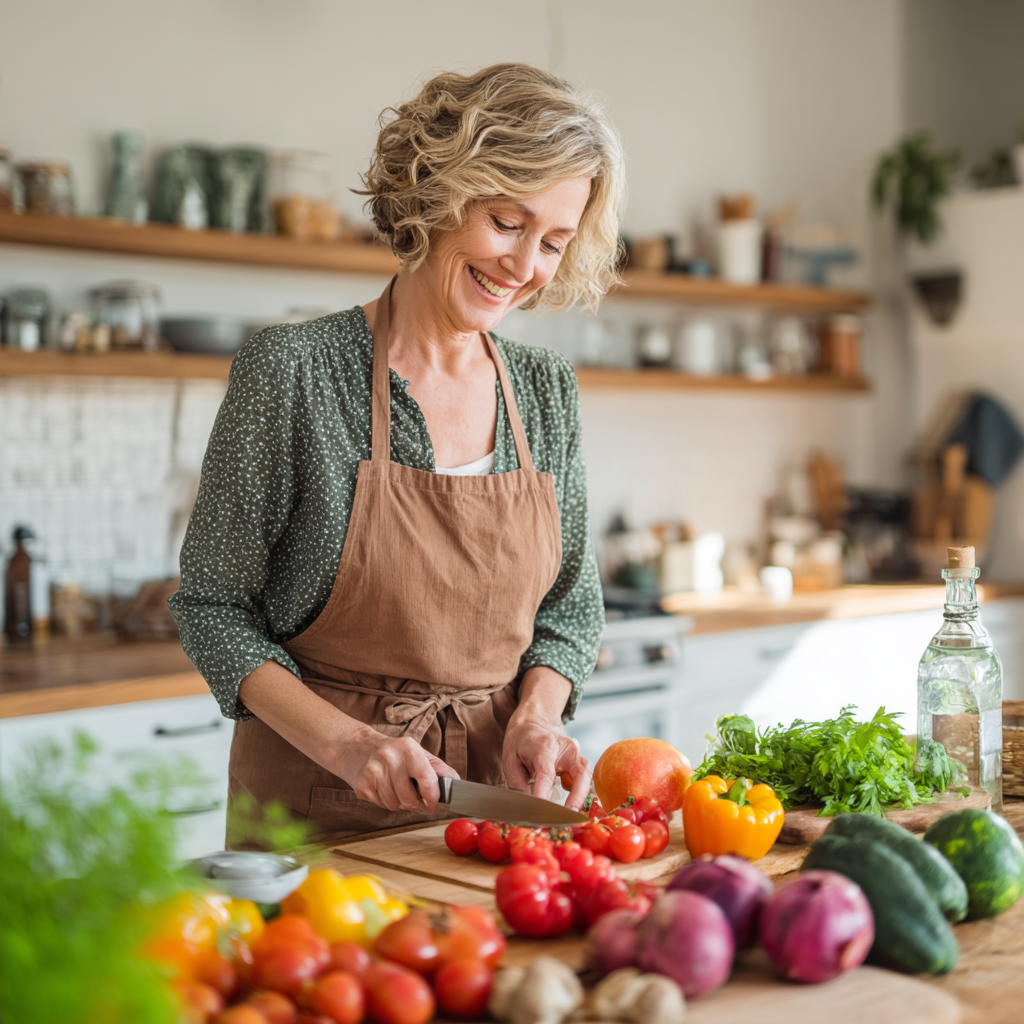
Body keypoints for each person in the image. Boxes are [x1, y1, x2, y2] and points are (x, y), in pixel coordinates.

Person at [169, 62, 625, 842]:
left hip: (491, 816)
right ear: (437, 194)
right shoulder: (295, 372)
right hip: (314, 806)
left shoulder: (547, 391)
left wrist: (537, 719)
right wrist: (349, 745)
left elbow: (571, 612)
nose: (523, 268)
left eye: (552, 241)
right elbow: (213, 608)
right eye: (507, 223)